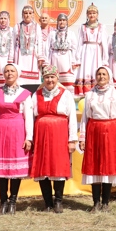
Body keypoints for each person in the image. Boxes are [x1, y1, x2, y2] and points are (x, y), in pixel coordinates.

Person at [0, 63, 33, 215]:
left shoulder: (25, 93)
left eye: (12, 71)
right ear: (3, 74)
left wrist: (29, 137)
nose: (9, 73)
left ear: (17, 74)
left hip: (17, 132)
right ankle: (3, 201)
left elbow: (28, 117)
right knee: (2, 168)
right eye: (6, 71)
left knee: (15, 170)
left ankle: (13, 201)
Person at [79, 65, 116, 212]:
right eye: (99, 74)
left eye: (104, 74)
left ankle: (106, 202)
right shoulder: (89, 95)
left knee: (108, 167)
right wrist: (82, 138)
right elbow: (85, 118)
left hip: (111, 130)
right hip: (93, 131)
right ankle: (95, 203)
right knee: (94, 166)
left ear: (109, 76)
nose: (101, 77)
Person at [30, 65, 77, 213]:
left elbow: (73, 118)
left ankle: (58, 202)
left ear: (57, 78)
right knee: (42, 167)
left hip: (59, 135)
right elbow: (30, 117)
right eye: (47, 77)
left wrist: (72, 139)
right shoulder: (36, 94)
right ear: (43, 78)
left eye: (52, 77)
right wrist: (30, 138)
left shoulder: (65, 94)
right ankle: (47, 203)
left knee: (58, 166)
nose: (50, 80)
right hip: (41, 135)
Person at [74, 3, 110, 97]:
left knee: (95, 70)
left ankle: (96, 92)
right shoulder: (83, 27)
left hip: (96, 51)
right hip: (85, 51)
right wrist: (77, 58)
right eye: (90, 13)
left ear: (97, 14)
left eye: (94, 13)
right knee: (85, 70)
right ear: (87, 15)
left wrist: (105, 59)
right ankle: (85, 93)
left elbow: (104, 44)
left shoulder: (102, 27)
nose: (92, 15)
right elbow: (79, 43)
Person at [48, 13, 79, 88]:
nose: (62, 22)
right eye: (60, 20)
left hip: (66, 57)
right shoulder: (52, 33)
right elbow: (47, 48)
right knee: (55, 78)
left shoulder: (71, 34)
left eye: (64, 20)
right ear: (57, 22)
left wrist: (75, 61)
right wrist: (47, 62)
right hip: (55, 57)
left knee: (67, 80)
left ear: (66, 22)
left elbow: (75, 48)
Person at [14, 5, 41, 90]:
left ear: (33, 14)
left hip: (33, 56)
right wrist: (11, 59)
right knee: (20, 80)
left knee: (32, 82)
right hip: (20, 56)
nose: (27, 15)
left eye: (30, 13)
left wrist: (40, 57)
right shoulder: (17, 26)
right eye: (25, 13)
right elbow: (13, 43)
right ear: (22, 14)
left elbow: (40, 42)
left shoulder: (37, 26)